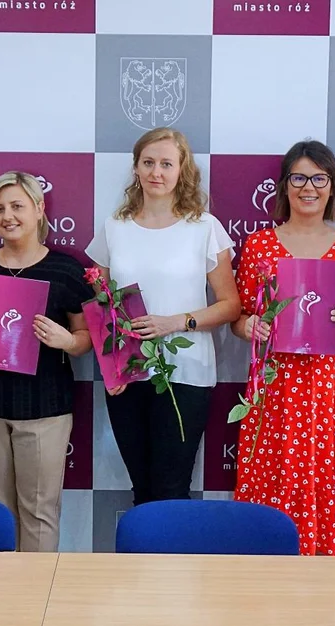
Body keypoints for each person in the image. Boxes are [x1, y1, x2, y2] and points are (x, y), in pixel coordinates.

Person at [230, 140, 335, 556]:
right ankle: (268, 555)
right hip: (274, 383)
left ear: (332, 187)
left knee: (326, 470)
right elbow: (239, 316)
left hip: (328, 386)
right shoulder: (259, 244)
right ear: (284, 185)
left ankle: (324, 564)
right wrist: (248, 326)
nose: (308, 187)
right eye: (298, 178)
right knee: (272, 469)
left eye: (318, 178)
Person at [86, 127, 241, 506]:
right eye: (149, 162)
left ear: (181, 170)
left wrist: (176, 322)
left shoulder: (204, 227)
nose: (156, 172)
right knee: (142, 491)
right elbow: (102, 305)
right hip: (128, 375)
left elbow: (230, 305)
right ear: (136, 168)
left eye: (166, 164)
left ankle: (172, 549)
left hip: (186, 373)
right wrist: (112, 367)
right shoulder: (114, 228)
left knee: (171, 491)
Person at [0, 172, 93, 552]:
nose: (7, 216)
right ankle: (2, 589)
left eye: (17, 206)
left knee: (39, 512)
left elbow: (87, 338)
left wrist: (67, 341)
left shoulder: (66, 270)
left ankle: (37, 589)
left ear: (39, 208)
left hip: (46, 409)